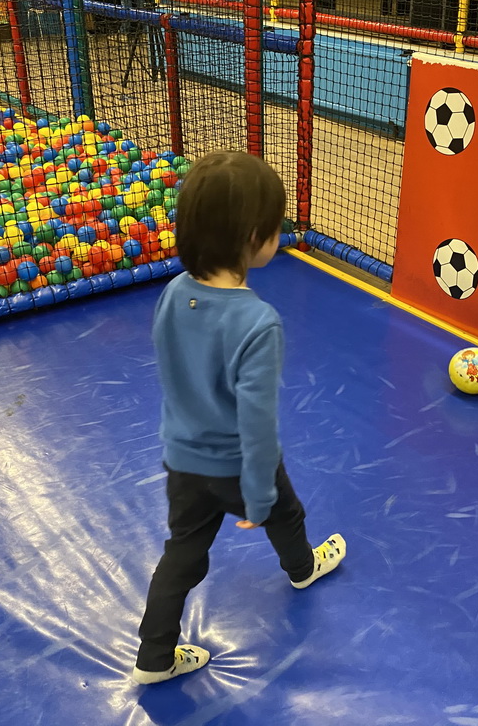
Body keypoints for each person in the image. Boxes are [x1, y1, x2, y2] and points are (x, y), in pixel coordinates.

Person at [132, 151, 347, 685]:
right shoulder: (258, 322)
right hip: (237, 465)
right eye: (277, 227)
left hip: (182, 460)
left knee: (182, 554)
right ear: (255, 238)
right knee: (286, 514)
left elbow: (172, 368)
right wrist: (256, 492)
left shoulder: (173, 293)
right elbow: (256, 423)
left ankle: (153, 658)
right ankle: (301, 569)